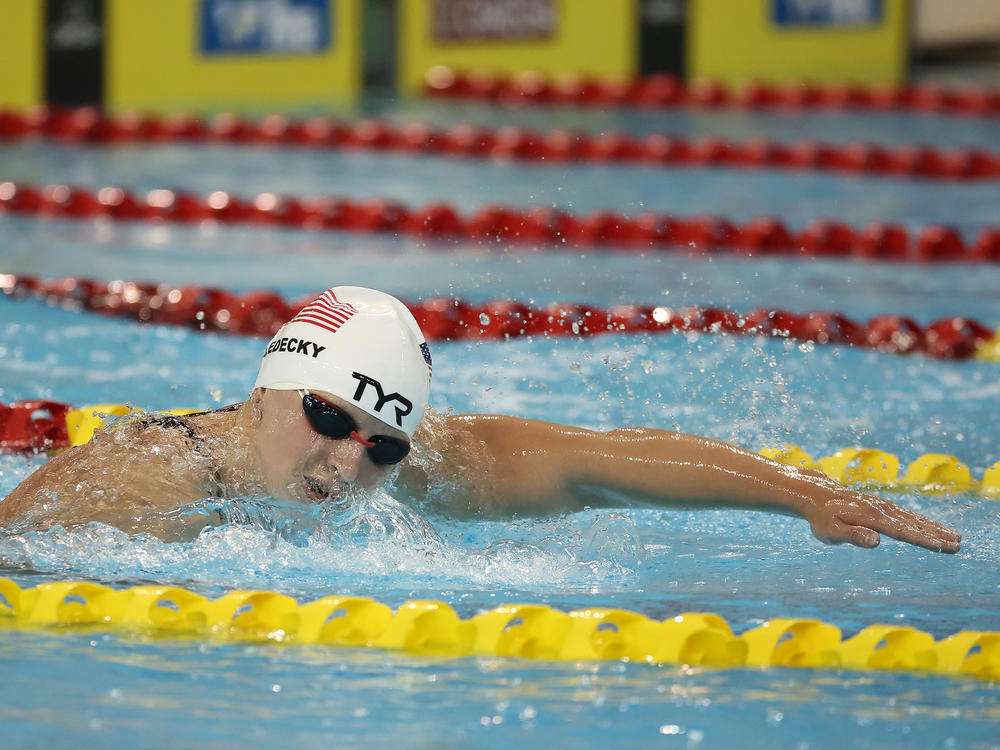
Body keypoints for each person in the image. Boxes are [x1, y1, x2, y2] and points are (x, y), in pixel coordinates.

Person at [0, 286, 961, 552]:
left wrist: (800, 493)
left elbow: (605, 462)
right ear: (266, 392)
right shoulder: (148, 482)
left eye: (381, 444)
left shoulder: (423, 470)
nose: (350, 461)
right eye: (329, 419)